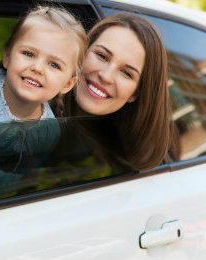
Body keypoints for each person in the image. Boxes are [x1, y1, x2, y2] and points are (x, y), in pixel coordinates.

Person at [0, 5, 86, 195]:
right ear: (7, 56)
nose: (37, 68)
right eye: (28, 54)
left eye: (54, 64)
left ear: (67, 85)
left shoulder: (48, 131)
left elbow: (26, 175)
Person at [68, 13, 173, 171]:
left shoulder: (123, 163)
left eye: (127, 73)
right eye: (102, 56)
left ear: (135, 93)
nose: (106, 76)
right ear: (82, 51)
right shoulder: (31, 100)